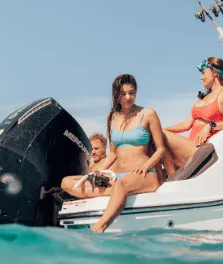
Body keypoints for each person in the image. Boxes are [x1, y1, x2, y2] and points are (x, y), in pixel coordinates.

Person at [60, 74, 166, 233]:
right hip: (118, 177)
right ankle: (116, 193)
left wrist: (146, 166)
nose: (128, 97)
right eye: (123, 94)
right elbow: (113, 154)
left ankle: (100, 227)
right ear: (116, 95)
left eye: (131, 93)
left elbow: (161, 149)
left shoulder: (148, 114)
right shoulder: (111, 117)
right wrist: (96, 172)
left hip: (143, 175)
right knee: (66, 182)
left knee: (120, 185)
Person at [161, 57, 223, 175]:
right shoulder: (202, 99)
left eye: (203, 73)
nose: (201, 77)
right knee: (155, 134)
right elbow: (186, 124)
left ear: (215, 73)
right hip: (189, 148)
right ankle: (171, 175)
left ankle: (173, 176)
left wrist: (210, 125)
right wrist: (164, 129)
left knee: (157, 133)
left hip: (203, 152)